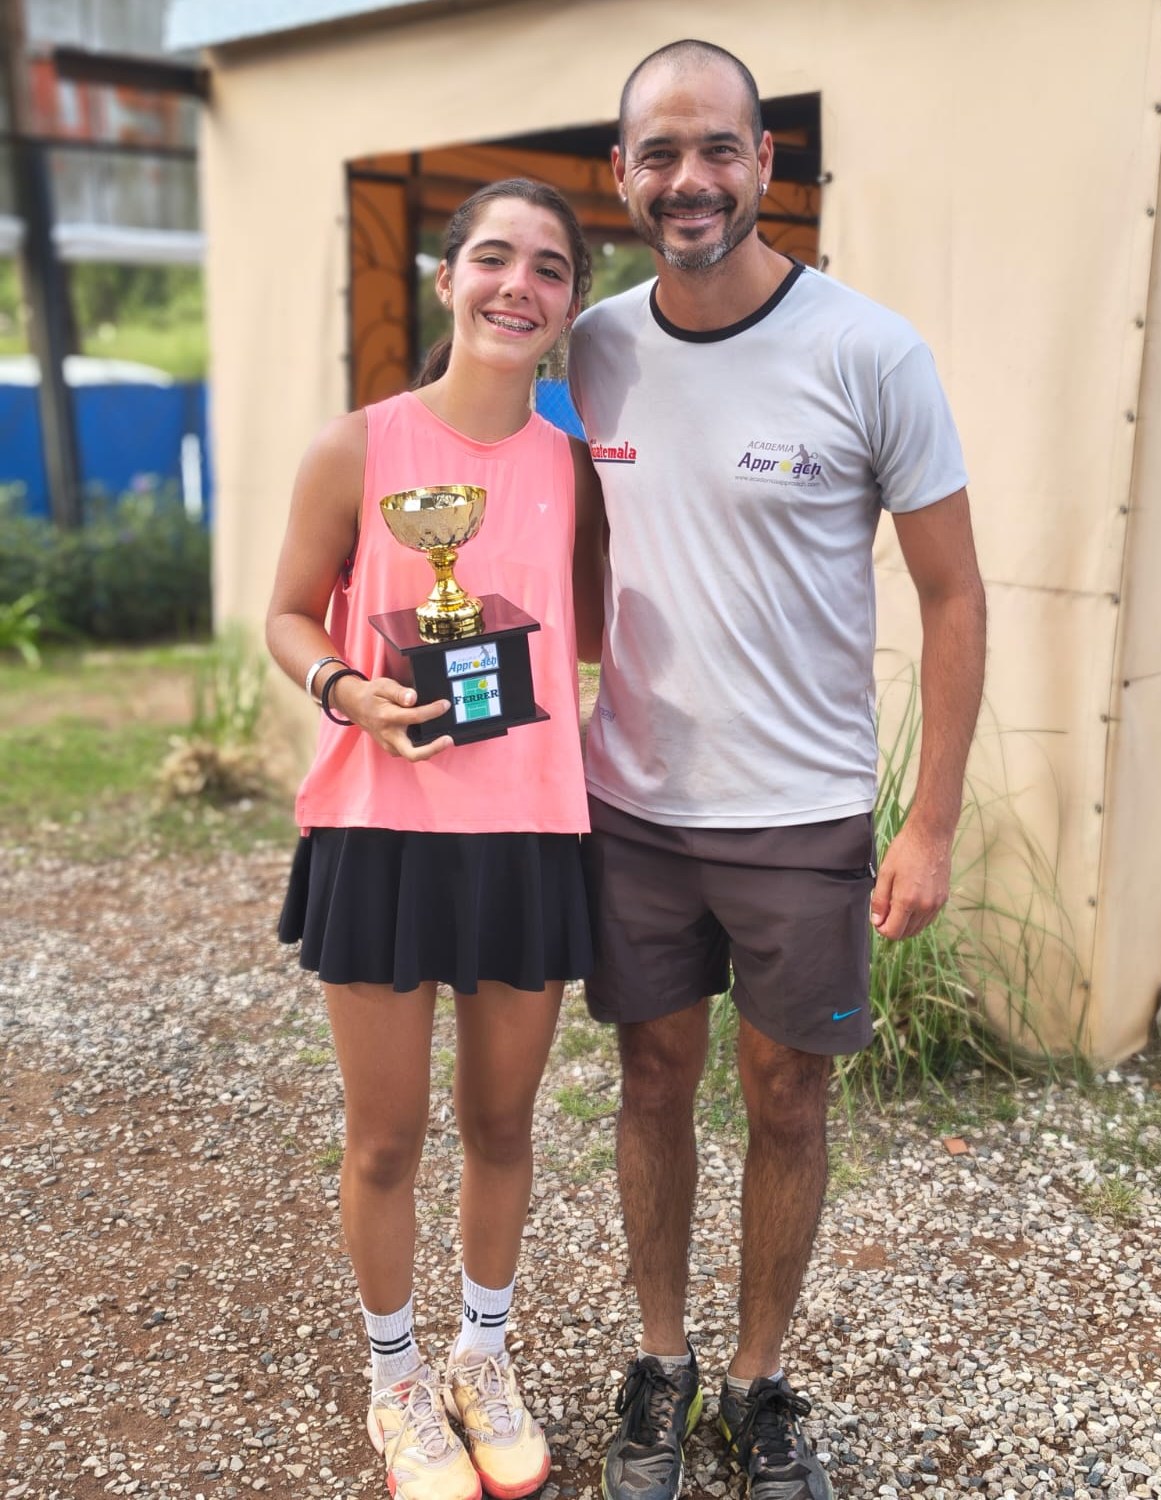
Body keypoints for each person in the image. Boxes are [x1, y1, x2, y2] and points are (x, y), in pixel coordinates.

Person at [567, 40, 987, 1500]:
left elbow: (955, 594)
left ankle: (758, 1381)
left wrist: (929, 822)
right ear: (622, 174)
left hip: (802, 813)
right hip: (633, 804)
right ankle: (661, 1362)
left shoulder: (870, 351)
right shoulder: (592, 347)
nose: (689, 179)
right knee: (650, 1079)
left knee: (788, 1096)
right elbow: (564, 540)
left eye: (717, 149)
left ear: (765, 162)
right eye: (659, 153)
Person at [266, 178, 604, 1500]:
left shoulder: (578, 467)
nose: (519, 286)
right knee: (386, 1138)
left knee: (503, 1123)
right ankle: (396, 1378)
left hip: (529, 831)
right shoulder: (358, 448)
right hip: (382, 828)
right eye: (494, 258)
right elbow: (289, 614)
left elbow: (593, 627)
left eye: (550, 268)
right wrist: (347, 689)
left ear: (571, 304)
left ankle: (482, 1356)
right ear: (447, 276)